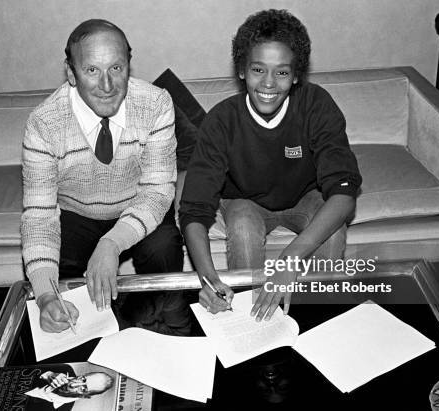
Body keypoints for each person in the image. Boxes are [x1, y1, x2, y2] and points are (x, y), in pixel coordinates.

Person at [179, 9, 362, 321]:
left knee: (332, 231)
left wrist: (289, 260)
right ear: (242, 70)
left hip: (304, 196)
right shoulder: (222, 121)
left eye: (281, 72)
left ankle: (317, 315)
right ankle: (251, 319)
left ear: (295, 75)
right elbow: (193, 210)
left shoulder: (317, 105)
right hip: (244, 200)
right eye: (257, 69)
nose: (268, 83)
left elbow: (344, 194)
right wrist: (208, 278)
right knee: (243, 227)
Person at [21, 19, 189, 335]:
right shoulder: (44, 124)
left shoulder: (156, 103)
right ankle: (104, 318)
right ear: (71, 73)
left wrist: (111, 243)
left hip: (137, 203)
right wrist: (45, 297)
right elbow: (39, 217)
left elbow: (157, 190)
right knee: (71, 307)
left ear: (129, 64)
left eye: (116, 68)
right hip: (77, 215)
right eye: (92, 71)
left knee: (164, 245)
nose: (107, 85)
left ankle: (164, 311)